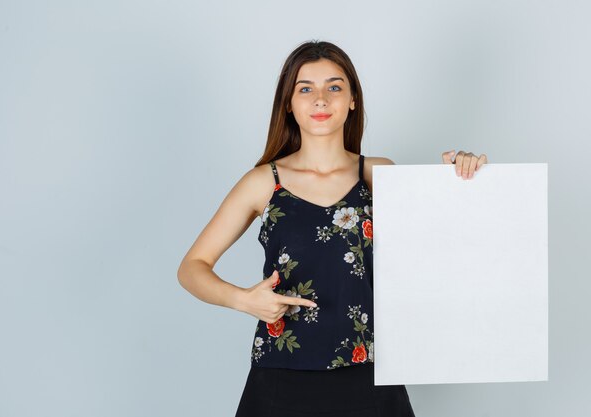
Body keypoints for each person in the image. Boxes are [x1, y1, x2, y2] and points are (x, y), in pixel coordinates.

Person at [177, 40, 488, 417]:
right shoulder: (262, 182)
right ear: (288, 103)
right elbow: (192, 266)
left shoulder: (379, 173)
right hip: (282, 375)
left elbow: (445, 245)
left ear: (353, 99)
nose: (320, 99)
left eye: (334, 86)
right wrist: (242, 299)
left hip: (370, 375)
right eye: (305, 88)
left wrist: (459, 178)